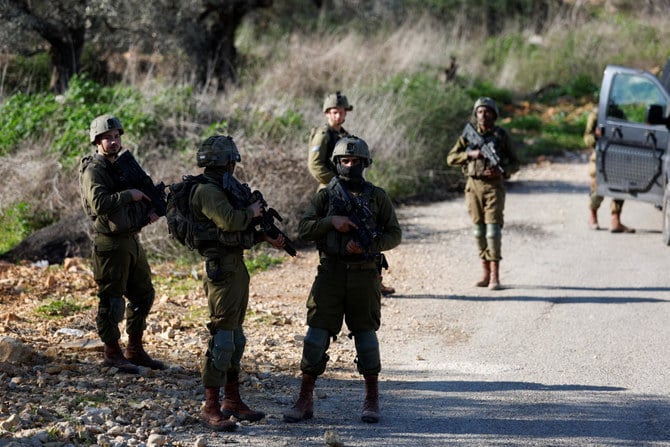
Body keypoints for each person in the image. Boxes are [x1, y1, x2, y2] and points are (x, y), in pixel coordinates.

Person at [284, 136, 402, 424]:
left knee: (365, 337)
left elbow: (394, 234)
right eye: (345, 161)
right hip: (331, 274)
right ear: (337, 163)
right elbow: (304, 229)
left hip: (364, 275)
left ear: (365, 164)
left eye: (356, 161)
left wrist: (369, 245)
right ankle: (305, 398)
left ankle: (371, 398)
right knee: (316, 336)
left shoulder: (377, 196)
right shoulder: (326, 195)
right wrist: (331, 222)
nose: (350, 166)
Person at [190, 135, 286, 432]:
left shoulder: (221, 188)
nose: (233, 166)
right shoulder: (207, 190)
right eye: (231, 161)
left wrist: (262, 235)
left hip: (234, 265)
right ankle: (210, 407)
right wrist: (252, 213)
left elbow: (235, 233)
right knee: (223, 339)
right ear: (225, 161)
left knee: (236, 339)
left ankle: (232, 400)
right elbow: (230, 221)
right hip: (221, 270)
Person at [79, 114, 166, 374]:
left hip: (131, 240)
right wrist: (131, 194)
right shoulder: (94, 169)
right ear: (97, 141)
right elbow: (100, 204)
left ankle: (135, 350)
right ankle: (112, 352)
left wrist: (148, 214)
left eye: (116, 137)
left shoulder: (121, 167)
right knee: (112, 300)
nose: (114, 142)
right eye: (108, 138)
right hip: (111, 245)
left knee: (143, 295)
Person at [308, 91, 396, 296]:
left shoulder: (343, 136)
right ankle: (331, 283)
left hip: (352, 191)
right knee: (333, 242)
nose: (338, 116)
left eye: (341, 112)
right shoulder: (323, 135)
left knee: (366, 229)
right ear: (326, 113)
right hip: (332, 192)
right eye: (334, 112)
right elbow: (315, 166)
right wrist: (338, 185)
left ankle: (373, 277)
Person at [447, 97, 520, 290]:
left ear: (494, 114)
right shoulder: (468, 136)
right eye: (479, 111)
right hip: (473, 186)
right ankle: (485, 273)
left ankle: (495, 275)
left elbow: (515, 163)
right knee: (478, 231)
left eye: (487, 111)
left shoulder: (501, 136)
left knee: (493, 231)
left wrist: (502, 171)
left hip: (494, 187)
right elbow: (451, 158)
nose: (483, 115)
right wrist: (470, 155)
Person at [585, 107, 635, 233]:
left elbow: (626, 131)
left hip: (617, 155)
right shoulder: (596, 114)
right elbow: (587, 137)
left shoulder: (619, 113)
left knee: (620, 186)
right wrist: (596, 138)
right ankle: (592, 216)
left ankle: (615, 220)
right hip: (600, 155)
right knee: (598, 188)